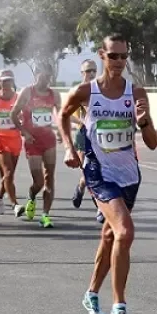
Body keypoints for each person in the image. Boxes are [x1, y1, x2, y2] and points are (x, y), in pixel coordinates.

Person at [59, 34, 157, 314]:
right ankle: (119, 306)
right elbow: (63, 115)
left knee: (110, 237)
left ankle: (91, 294)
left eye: (124, 56)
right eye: (113, 55)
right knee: (125, 232)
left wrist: (143, 122)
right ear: (102, 55)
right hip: (98, 173)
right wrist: (68, 147)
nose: (119, 62)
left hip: (129, 175)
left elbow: (152, 144)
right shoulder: (86, 91)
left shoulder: (136, 92)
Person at [11, 62, 61, 228]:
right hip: (32, 141)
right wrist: (24, 132)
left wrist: (61, 131)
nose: (45, 79)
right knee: (38, 182)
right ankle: (31, 196)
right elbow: (13, 114)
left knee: (50, 178)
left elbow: (59, 115)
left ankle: (45, 215)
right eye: (42, 75)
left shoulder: (54, 94)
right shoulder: (27, 92)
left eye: (48, 76)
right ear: (36, 74)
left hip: (49, 140)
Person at [0, 70, 25, 218]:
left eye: (9, 80)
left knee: (9, 175)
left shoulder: (18, 97)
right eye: (4, 81)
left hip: (15, 140)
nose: (6, 83)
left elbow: (26, 114)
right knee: (8, 172)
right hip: (0, 139)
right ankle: (15, 204)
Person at [70, 59, 104, 223]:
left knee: (98, 171)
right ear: (82, 73)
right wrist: (82, 122)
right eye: (88, 71)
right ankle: (97, 205)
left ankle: (98, 205)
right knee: (87, 171)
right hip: (83, 134)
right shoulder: (78, 91)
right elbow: (66, 115)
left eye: (93, 70)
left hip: (99, 134)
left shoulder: (101, 89)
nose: (91, 74)